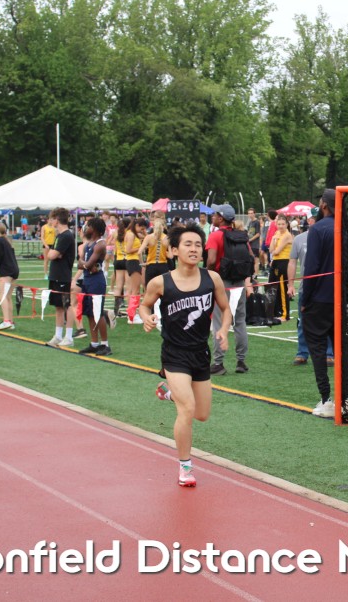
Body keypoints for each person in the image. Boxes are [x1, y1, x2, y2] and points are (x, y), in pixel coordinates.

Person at [141, 222, 231, 487]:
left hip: (200, 353)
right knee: (187, 409)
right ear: (173, 251)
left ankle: (169, 394)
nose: (194, 249)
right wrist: (146, 318)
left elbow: (225, 309)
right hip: (174, 354)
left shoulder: (212, 279)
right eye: (188, 244)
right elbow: (144, 305)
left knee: (201, 414)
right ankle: (185, 468)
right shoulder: (160, 282)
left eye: (198, 245)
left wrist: (224, 330)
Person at [302, 190, 339, 417]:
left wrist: (304, 300)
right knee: (342, 350)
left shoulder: (318, 229)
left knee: (317, 351)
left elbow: (312, 268)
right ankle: (347, 399)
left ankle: (326, 400)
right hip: (340, 300)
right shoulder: (345, 228)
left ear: (324, 205)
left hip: (319, 300)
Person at [206, 203, 250, 375]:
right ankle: (241, 361)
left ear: (221, 218)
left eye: (215, 214)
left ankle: (218, 363)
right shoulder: (241, 235)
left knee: (219, 322)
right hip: (239, 282)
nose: (212, 216)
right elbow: (250, 258)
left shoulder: (215, 235)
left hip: (221, 283)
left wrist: (207, 276)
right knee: (240, 322)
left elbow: (211, 260)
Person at [288, 210, 334, 365]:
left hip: (325, 287)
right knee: (303, 321)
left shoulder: (328, 235)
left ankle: (329, 353)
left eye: (317, 218)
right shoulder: (299, 239)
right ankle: (302, 352)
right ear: (308, 221)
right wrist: (290, 284)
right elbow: (292, 262)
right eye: (313, 219)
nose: (315, 221)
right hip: (306, 287)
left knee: (327, 321)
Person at [75, 217, 113, 355]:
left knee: (98, 312)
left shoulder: (100, 244)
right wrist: (85, 264)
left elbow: (87, 264)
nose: (86, 228)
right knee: (90, 313)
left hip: (96, 281)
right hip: (87, 279)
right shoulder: (89, 244)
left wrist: (84, 264)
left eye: (88, 225)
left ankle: (105, 344)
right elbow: (82, 264)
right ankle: (94, 343)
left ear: (95, 229)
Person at [45, 208, 77, 348]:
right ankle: (58, 335)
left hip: (63, 276)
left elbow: (52, 255)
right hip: (55, 275)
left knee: (66, 305)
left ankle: (68, 337)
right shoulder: (59, 236)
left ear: (57, 220)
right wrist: (53, 253)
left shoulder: (66, 236)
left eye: (52, 219)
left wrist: (53, 253)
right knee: (58, 306)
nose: (50, 222)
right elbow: (51, 254)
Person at [268, 213, 293, 320]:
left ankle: (285, 314)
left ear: (287, 224)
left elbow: (276, 251)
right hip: (276, 262)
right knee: (273, 287)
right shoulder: (277, 233)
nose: (281, 226)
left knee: (283, 288)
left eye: (283, 224)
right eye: (279, 224)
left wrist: (274, 249)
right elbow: (271, 250)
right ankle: (276, 311)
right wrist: (273, 239)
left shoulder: (287, 235)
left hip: (283, 262)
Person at [123, 217, 147, 324]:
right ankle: (132, 316)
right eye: (142, 228)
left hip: (135, 261)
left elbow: (147, 238)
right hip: (132, 261)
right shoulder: (131, 234)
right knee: (135, 290)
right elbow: (128, 250)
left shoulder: (134, 233)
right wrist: (141, 248)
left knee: (136, 289)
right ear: (137, 226)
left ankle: (133, 314)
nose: (142, 230)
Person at [246, 208, 261, 275]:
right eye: (249, 213)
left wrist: (250, 240)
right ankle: (252, 273)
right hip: (250, 244)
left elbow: (258, 234)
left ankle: (256, 274)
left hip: (255, 244)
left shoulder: (256, 222)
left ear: (254, 214)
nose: (250, 215)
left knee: (256, 260)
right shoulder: (250, 222)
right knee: (251, 260)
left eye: (252, 213)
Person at [40, 216, 55, 280]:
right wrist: (45, 245)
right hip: (46, 245)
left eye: (52, 220)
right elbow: (42, 237)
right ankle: (46, 274)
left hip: (53, 244)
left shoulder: (54, 227)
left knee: (53, 260)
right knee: (46, 260)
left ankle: (53, 274)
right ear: (47, 220)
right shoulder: (44, 227)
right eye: (50, 220)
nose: (51, 221)